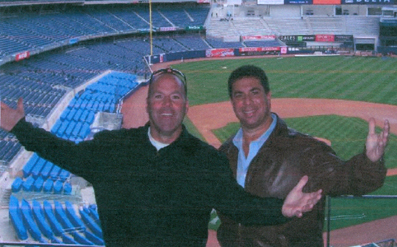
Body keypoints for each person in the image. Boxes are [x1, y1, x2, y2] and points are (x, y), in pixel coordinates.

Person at [0, 67, 322, 247]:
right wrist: (21, 127)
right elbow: (63, 152)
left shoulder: (205, 160)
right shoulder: (111, 147)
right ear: (147, 104)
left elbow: (239, 205)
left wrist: (280, 207)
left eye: (175, 97)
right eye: (158, 97)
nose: (167, 105)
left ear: (185, 106)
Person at [217, 65, 390, 247]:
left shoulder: (305, 150)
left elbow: (348, 179)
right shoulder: (224, 154)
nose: (247, 102)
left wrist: (370, 161)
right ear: (232, 102)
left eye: (254, 92)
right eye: (239, 95)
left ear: (268, 96)